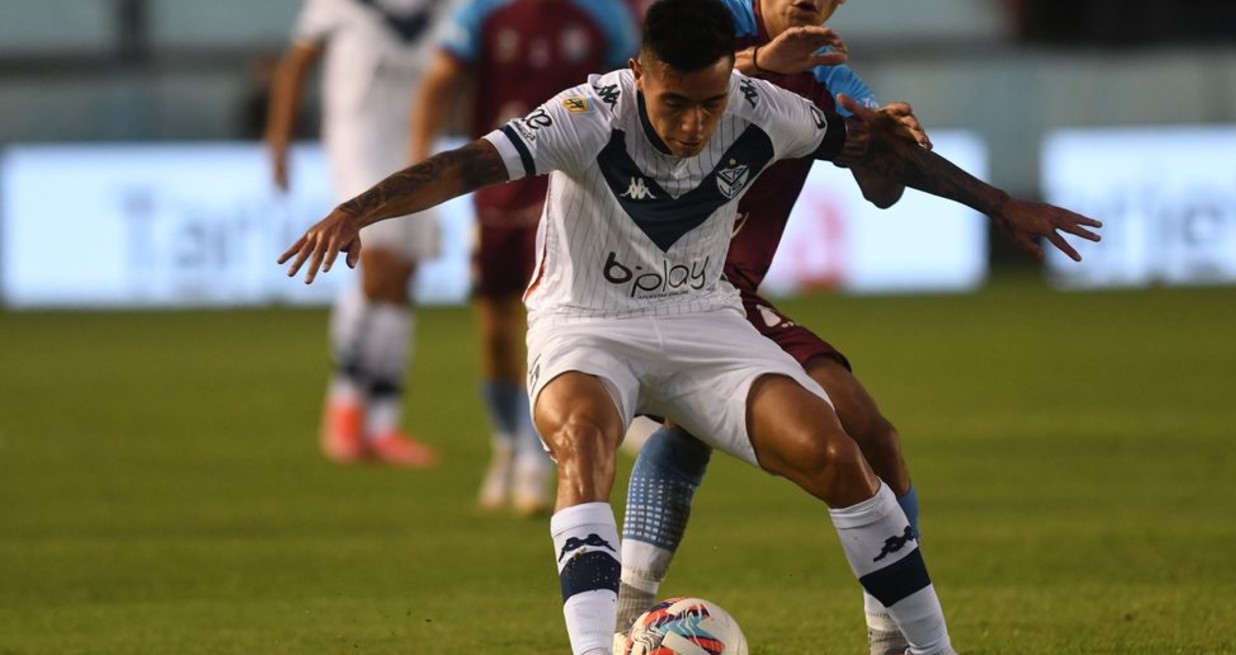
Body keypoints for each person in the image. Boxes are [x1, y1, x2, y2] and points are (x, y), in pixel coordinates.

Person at [278, 2, 1102, 654]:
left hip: (705, 317)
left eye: (711, 105)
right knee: (586, 440)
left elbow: (874, 154)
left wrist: (998, 202)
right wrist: (356, 211)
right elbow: (463, 165)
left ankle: (931, 649)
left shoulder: (761, 107)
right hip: (586, 325)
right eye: (675, 103)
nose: (693, 125)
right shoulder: (586, 113)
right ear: (639, 75)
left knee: (836, 453)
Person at [614, 1, 935, 653]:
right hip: (652, 278)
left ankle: (625, 621)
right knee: (861, 431)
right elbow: (637, 88)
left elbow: (881, 190)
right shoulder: (707, 18)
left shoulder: (830, 76)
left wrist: (891, 145)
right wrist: (759, 61)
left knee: (695, 432)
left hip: (725, 291)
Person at [408, 0, 638, 515]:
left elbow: (636, 87)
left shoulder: (604, 14)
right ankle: (507, 445)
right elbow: (440, 79)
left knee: (547, 326)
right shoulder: (482, 12)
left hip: (568, 192)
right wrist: (422, 162)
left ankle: (537, 458)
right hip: (494, 191)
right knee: (495, 330)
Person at [265, 0, 450, 466]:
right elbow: (296, 64)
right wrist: (279, 142)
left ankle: (383, 422)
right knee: (379, 260)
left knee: (403, 275)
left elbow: (463, 65)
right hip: (359, 138)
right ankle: (344, 404)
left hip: (417, 141)